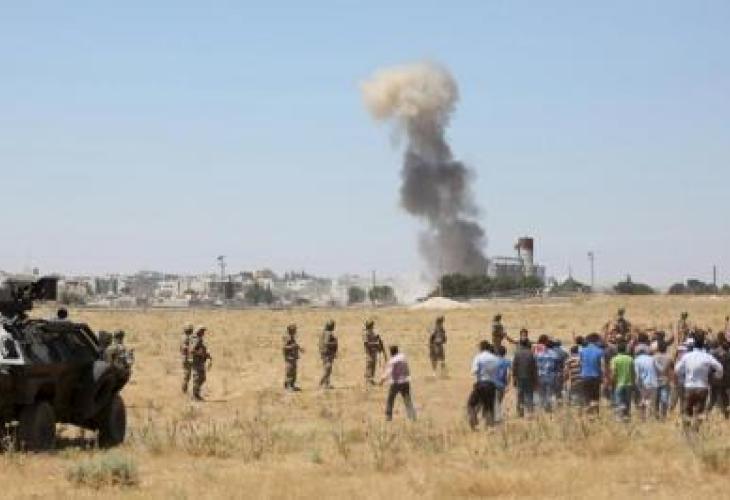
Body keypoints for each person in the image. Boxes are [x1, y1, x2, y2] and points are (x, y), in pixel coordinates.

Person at [674, 334, 723, 431]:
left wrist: (683, 376)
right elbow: (719, 367)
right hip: (702, 387)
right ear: (703, 344)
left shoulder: (687, 356)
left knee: (687, 410)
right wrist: (717, 376)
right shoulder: (707, 356)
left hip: (689, 387)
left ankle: (687, 432)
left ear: (693, 344)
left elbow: (677, 369)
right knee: (700, 411)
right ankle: (696, 430)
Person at [468, 341, 500, 429]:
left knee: (471, 404)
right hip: (491, 385)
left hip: (481, 383)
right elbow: (497, 371)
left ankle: (474, 420)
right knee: (489, 407)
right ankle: (489, 427)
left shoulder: (478, 357)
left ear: (481, 348)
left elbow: (474, 371)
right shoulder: (495, 358)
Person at [379, 345, 416, 421]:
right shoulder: (403, 357)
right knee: (407, 399)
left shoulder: (392, 361)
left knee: (390, 399)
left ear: (391, 352)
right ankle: (412, 416)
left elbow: (388, 372)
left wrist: (382, 380)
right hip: (405, 381)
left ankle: (388, 417)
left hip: (396, 383)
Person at [580, 333, 606, 415]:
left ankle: (588, 415)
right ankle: (595, 415)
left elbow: (581, 363)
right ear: (596, 341)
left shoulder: (582, 351)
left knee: (586, 398)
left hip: (584, 377)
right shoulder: (600, 351)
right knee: (595, 399)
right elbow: (603, 366)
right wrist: (604, 377)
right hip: (595, 377)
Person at [512, 337, 538, 417]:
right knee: (529, 394)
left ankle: (520, 413)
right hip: (529, 377)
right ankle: (530, 412)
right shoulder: (531, 354)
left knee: (520, 395)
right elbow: (534, 368)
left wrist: (514, 378)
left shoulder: (517, 353)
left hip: (519, 377)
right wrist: (535, 379)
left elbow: (514, 367)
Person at [534, 335, 559, 412]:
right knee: (549, 393)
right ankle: (548, 408)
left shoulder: (537, 353)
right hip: (550, 376)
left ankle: (542, 407)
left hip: (540, 375)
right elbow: (556, 366)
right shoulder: (553, 353)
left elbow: (534, 365)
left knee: (541, 393)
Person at [708, 333, 730, 419]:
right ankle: (725, 413)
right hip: (724, 380)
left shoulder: (715, 355)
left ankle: (722, 412)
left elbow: (712, 368)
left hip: (717, 380)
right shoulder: (725, 356)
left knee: (716, 397)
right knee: (722, 396)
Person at [610, 343, 634, 421]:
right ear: (625, 349)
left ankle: (619, 418)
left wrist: (612, 381)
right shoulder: (630, 359)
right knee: (628, 402)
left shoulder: (614, 359)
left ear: (617, 350)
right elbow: (633, 372)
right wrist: (633, 382)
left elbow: (613, 372)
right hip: (629, 383)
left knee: (619, 401)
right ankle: (627, 417)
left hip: (619, 383)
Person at [634, 346, 658, 420]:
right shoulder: (652, 359)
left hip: (644, 383)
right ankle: (649, 417)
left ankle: (643, 417)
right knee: (650, 401)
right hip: (654, 382)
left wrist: (637, 384)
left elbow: (637, 374)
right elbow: (658, 369)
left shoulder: (636, 360)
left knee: (644, 399)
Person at [190, 326, 212, 401]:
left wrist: (206, 354)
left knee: (202, 378)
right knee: (198, 378)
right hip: (196, 362)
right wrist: (200, 353)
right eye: (202, 331)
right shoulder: (196, 340)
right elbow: (192, 350)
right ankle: (194, 395)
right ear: (199, 332)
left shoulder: (199, 339)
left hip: (200, 361)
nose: (203, 333)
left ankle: (196, 394)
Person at [653, 340, 673, 419]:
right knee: (664, 399)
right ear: (666, 348)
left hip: (655, 380)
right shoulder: (669, 358)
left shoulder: (654, 357)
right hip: (665, 380)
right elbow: (672, 369)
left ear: (658, 348)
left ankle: (656, 415)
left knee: (656, 399)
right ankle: (663, 415)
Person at [363, 319, 386, 385]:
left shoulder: (373, 332)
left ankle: (371, 380)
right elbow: (366, 343)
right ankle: (368, 380)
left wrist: (380, 346)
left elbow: (378, 340)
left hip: (374, 351)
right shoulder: (366, 333)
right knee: (369, 365)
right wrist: (375, 344)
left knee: (373, 366)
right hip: (369, 352)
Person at [282, 323, 303, 391]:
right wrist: (292, 347)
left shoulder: (292, 337)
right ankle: (288, 386)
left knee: (293, 372)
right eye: (294, 330)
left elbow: (295, 344)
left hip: (293, 357)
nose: (295, 332)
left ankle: (292, 385)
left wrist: (299, 348)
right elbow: (284, 347)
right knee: (290, 372)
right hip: (289, 358)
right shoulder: (287, 338)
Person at [494, 345, 512, 421]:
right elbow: (509, 373)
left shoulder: (493, 361)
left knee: (495, 401)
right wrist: (507, 384)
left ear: (497, 352)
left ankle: (496, 418)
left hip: (493, 383)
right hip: (502, 384)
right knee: (499, 401)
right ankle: (497, 416)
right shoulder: (508, 362)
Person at [318, 319, 338, 389]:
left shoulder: (324, 333)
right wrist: (334, 343)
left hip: (324, 353)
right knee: (328, 368)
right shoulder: (328, 333)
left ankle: (326, 383)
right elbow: (326, 343)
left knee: (327, 368)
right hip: (327, 353)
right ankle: (322, 382)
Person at [180, 323, 194, 394]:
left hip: (185, 357)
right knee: (187, 375)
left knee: (187, 375)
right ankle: (184, 391)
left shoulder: (185, 337)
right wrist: (191, 349)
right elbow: (184, 347)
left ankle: (184, 390)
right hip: (186, 358)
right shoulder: (185, 338)